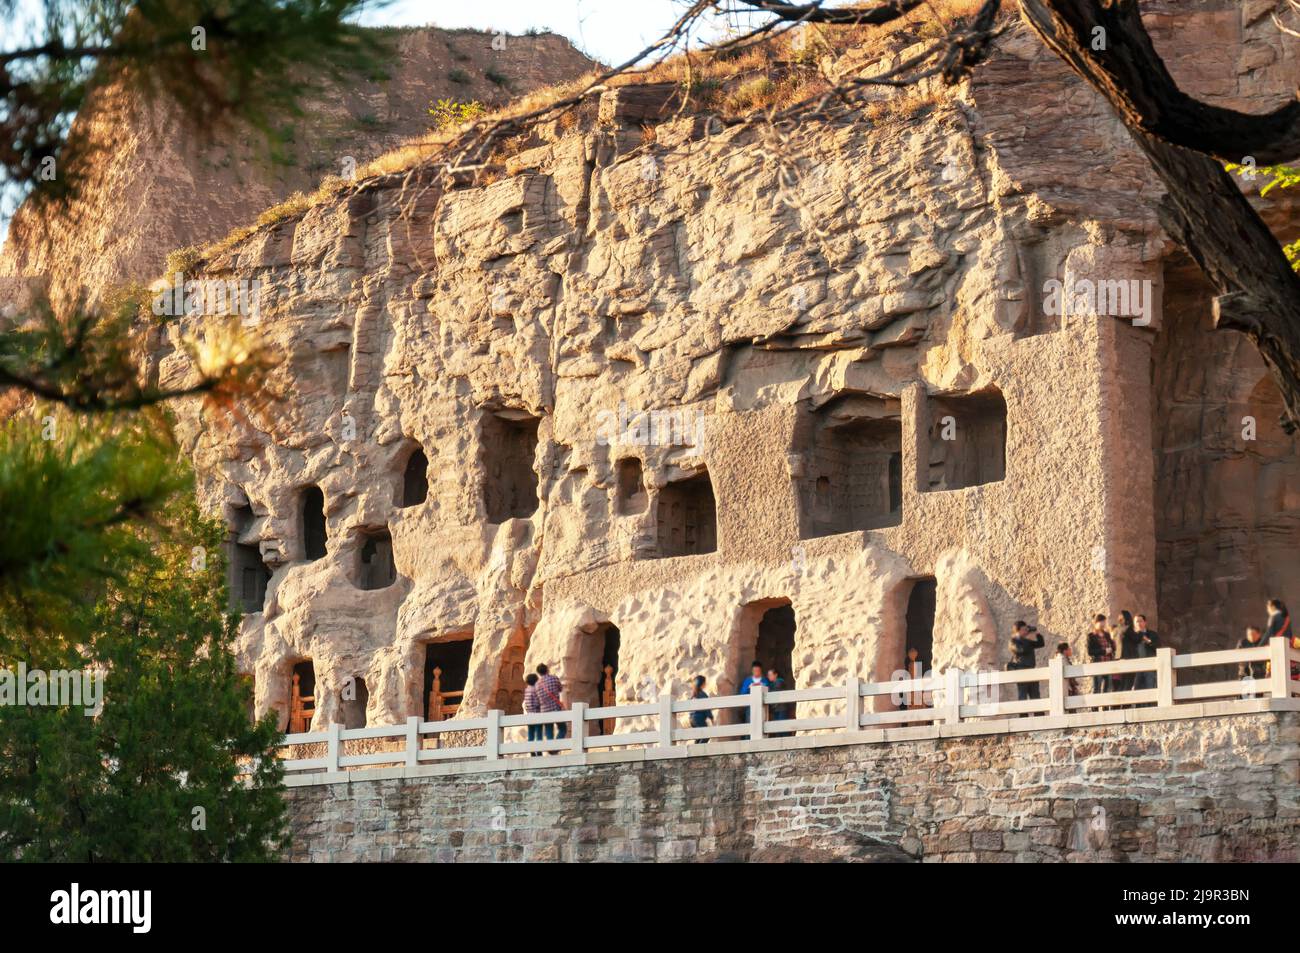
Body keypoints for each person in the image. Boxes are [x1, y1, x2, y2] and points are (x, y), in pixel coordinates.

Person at [1008, 622, 1044, 706]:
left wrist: (1037, 634)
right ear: (1018, 630)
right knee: (1022, 696)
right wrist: (1027, 639)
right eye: (1024, 629)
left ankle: (1039, 716)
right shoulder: (1013, 641)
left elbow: (1041, 644)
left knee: (1035, 696)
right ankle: (1023, 717)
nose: (1026, 631)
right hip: (1021, 670)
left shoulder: (1027, 641)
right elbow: (1021, 650)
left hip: (1031, 670)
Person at [1264, 599, 1297, 679]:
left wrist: (1258, 646)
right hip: (1286, 647)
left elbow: (1268, 633)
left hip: (1278, 648)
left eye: (1268, 607)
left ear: (1272, 607)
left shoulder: (1274, 617)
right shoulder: (1286, 618)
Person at [535, 663, 567, 740]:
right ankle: (556, 746)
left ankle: (551, 748)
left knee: (549, 730)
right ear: (547, 670)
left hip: (544, 711)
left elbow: (537, 699)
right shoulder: (554, 678)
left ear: (538, 673)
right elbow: (560, 689)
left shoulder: (537, 684)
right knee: (563, 728)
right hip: (555, 708)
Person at [1086, 613, 1115, 695]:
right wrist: (1104, 651)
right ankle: (1094, 708)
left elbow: (1113, 647)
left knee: (1108, 688)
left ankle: (1105, 708)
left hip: (1108, 664)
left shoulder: (1107, 635)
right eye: (1101, 622)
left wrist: (1112, 647)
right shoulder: (1091, 636)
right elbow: (1090, 651)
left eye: (1104, 622)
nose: (1103, 624)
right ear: (1096, 623)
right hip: (1097, 664)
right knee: (1097, 688)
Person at [1132, 614, 1159, 693]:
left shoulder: (1152, 634)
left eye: (1141, 621)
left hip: (1149, 665)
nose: (1139, 623)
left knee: (1149, 687)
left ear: (1145, 622)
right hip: (1136, 667)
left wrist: (1147, 640)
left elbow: (1158, 646)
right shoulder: (1131, 636)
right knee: (1136, 688)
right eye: (1137, 621)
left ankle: (1151, 705)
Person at [523, 673, 548, 756]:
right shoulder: (535, 690)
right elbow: (538, 702)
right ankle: (539, 750)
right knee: (538, 733)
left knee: (531, 733)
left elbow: (526, 703)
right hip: (536, 713)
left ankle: (531, 750)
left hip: (529, 714)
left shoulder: (527, 690)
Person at [1113, 610, 1139, 692]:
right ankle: (1122, 704)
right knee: (1125, 683)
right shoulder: (1124, 629)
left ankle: (1122, 704)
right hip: (1124, 657)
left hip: (1123, 657)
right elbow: (1136, 639)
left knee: (1124, 683)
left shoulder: (1121, 629)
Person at [767, 667, 793, 737]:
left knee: (782, 726)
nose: (769, 677)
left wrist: (767, 690)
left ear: (776, 675)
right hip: (777, 708)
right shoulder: (773, 684)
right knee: (778, 726)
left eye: (770, 675)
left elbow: (775, 692)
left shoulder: (779, 682)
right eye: (768, 675)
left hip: (781, 708)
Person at [688, 675, 713, 744]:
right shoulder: (702, 694)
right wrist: (711, 717)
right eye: (705, 683)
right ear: (702, 684)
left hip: (692, 719)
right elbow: (706, 708)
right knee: (706, 735)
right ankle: (698, 752)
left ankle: (695, 752)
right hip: (699, 719)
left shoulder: (693, 695)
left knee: (699, 736)